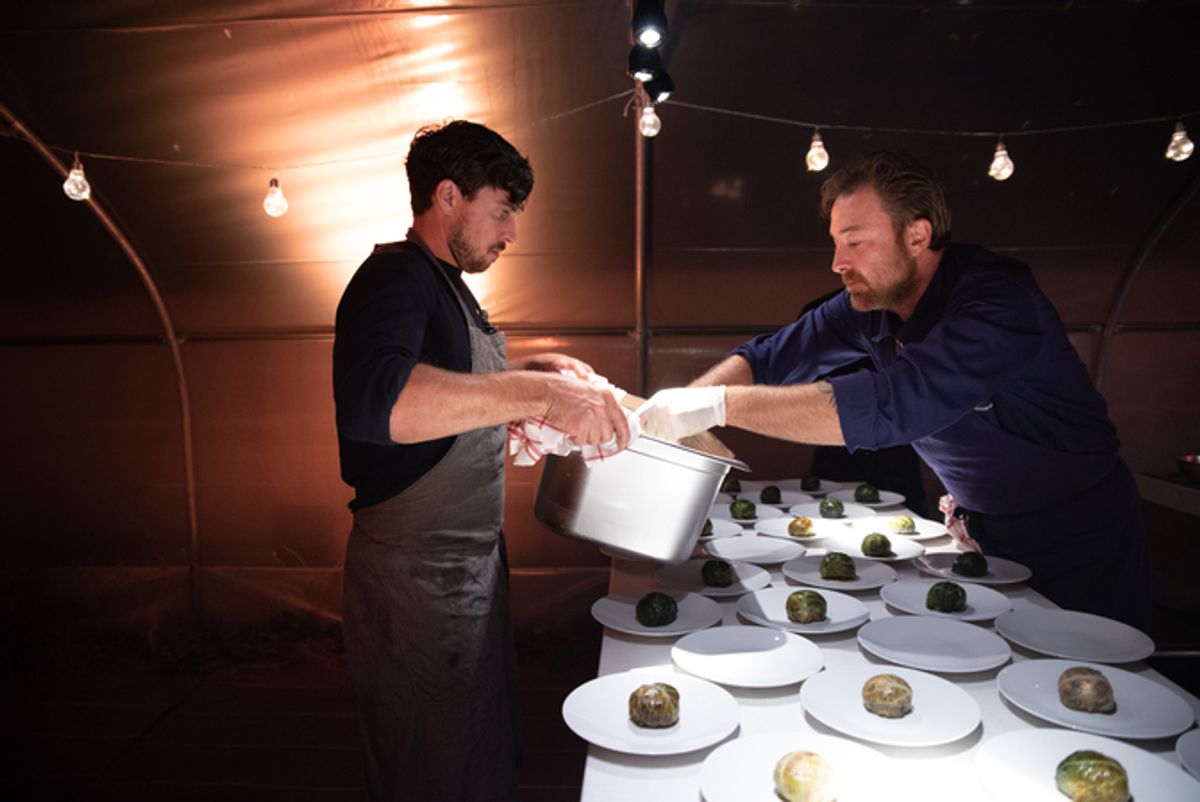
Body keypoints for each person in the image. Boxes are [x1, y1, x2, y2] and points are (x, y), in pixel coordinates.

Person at [636, 149, 1152, 630]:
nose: (837, 262)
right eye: (835, 242)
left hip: (1083, 539)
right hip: (985, 533)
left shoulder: (996, 301)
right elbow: (770, 356)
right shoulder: (872, 307)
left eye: (855, 242)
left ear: (918, 235)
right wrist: (689, 408)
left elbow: (893, 405)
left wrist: (716, 406)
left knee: (1096, 685)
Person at [332, 120, 630, 802]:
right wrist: (537, 393)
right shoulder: (394, 279)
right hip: (414, 580)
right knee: (427, 763)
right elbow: (378, 406)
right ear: (446, 198)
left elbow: (449, 385)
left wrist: (536, 369)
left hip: (466, 566)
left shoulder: (447, 287)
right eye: (501, 212)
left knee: (470, 748)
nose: (511, 233)